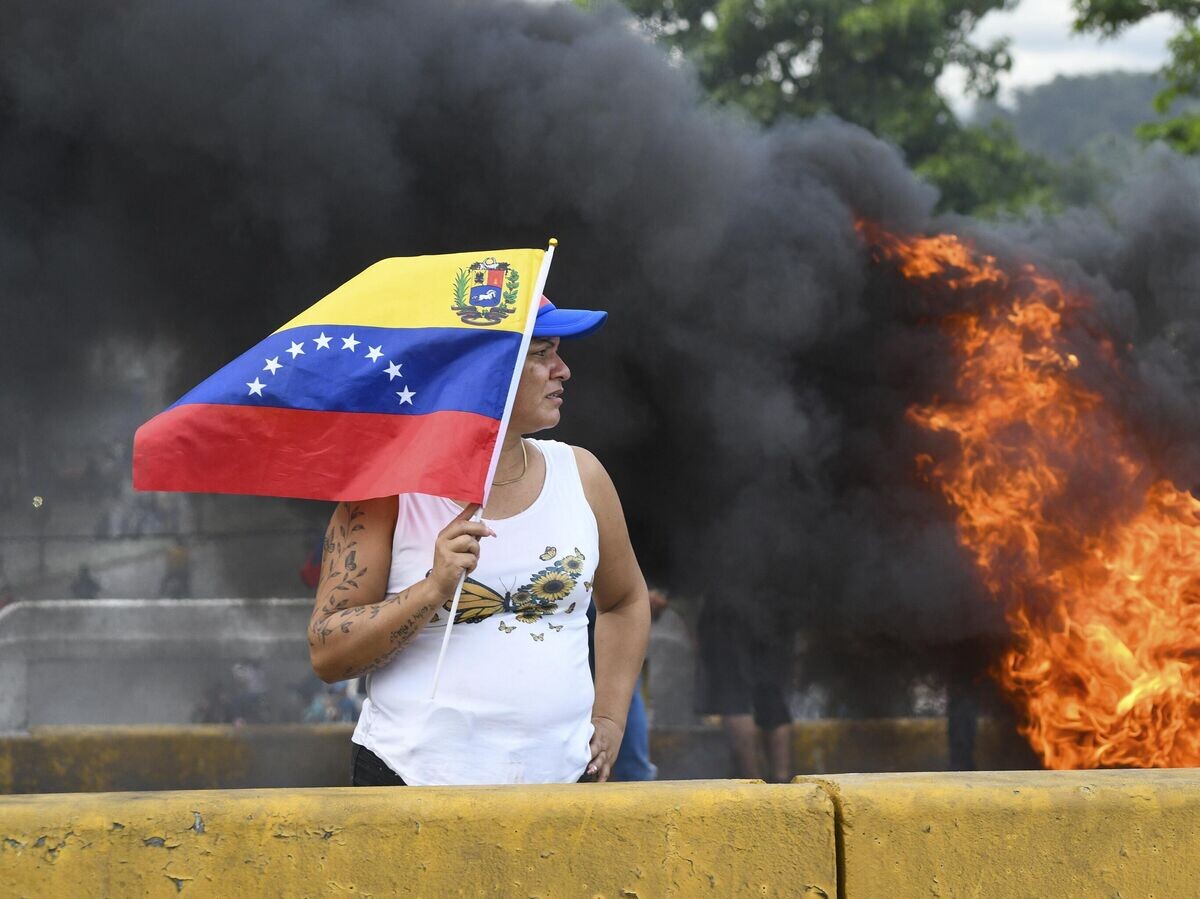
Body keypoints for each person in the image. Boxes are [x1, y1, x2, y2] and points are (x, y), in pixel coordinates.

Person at [308, 297, 650, 786]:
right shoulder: (384, 493)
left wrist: (611, 719)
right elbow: (327, 653)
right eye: (541, 353)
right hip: (411, 789)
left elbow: (625, 600)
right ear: (483, 370)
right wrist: (432, 588)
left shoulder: (582, 475)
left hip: (563, 790)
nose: (563, 370)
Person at [695, 597, 794, 783]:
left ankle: (752, 782)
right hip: (772, 604)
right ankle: (782, 781)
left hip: (728, 606)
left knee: (733, 696)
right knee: (772, 692)